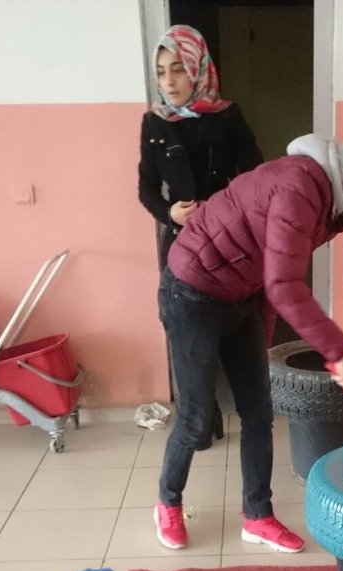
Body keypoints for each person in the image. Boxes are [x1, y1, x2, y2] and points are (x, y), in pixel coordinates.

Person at [154, 134, 343, 553]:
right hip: (192, 290)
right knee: (195, 416)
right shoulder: (300, 185)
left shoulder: (331, 210)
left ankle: (257, 516)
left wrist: (260, 346)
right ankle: (168, 503)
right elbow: (284, 285)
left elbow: (271, 274)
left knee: (259, 413)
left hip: (242, 294)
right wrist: (340, 352)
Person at [138, 24, 263, 438]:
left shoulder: (226, 116)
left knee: (231, 323)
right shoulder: (155, 122)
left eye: (178, 69)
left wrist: (227, 209)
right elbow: (145, 189)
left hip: (229, 241)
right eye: (161, 72)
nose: (169, 81)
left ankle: (246, 408)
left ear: (197, 68)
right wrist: (169, 212)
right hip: (180, 244)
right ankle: (203, 417)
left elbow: (256, 176)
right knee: (186, 334)